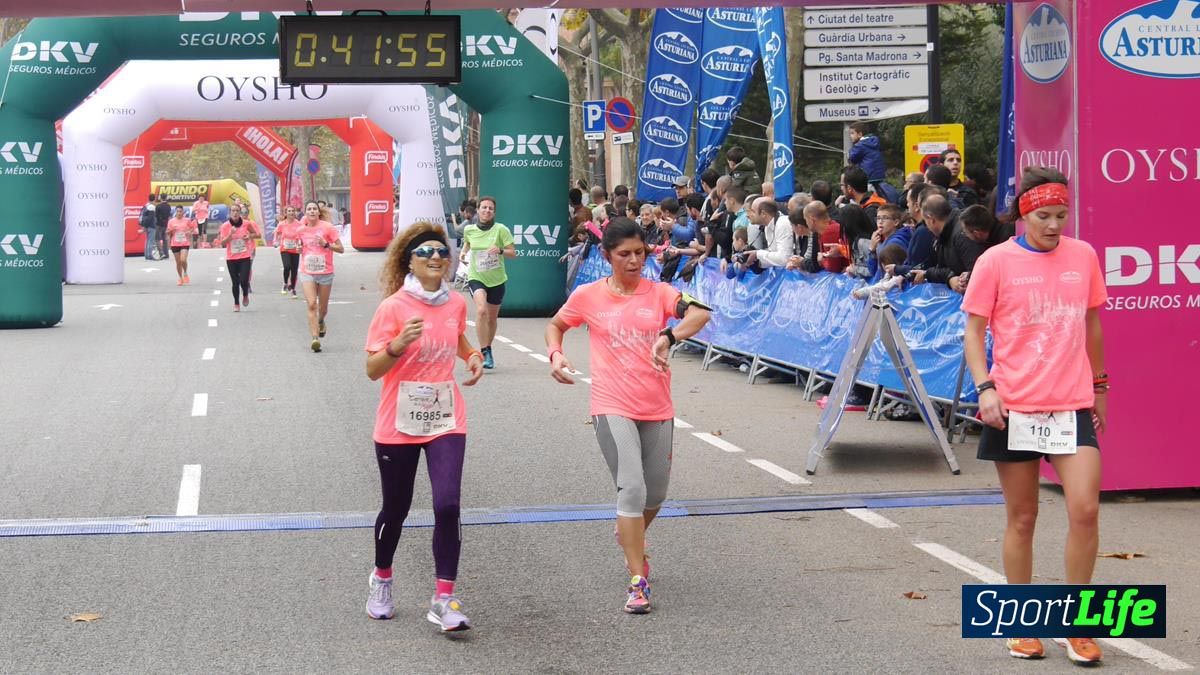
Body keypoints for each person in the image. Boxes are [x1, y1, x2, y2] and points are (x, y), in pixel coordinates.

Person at [962, 167, 1107, 665]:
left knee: (1085, 509)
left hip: (1070, 402)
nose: (1054, 225)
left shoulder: (1083, 255)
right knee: (1023, 517)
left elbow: (1091, 322)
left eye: (1062, 215)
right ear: (1025, 214)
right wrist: (986, 389)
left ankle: (1078, 624)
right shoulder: (995, 261)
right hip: (1014, 404)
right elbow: (973, 333)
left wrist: (1101, 386)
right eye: (1044, 215)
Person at [545, 218, 711, 614]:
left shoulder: (660, 293)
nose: (635, 261)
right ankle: (638, 580)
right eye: (625, 255)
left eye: (640, 252)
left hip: (656, 406)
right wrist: (556, 354)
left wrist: (670, 336)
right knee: (632, 488)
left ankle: (629, 533)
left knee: (656, 494)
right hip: (611, 403)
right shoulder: (588, 295)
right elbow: (556, 325)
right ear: (607, 256)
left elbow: (701, 313)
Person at [363, 222, 485, 631]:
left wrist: (471, 356)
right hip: (398, 421)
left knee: (447, 504)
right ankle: (381, 579)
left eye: (441, 252)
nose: (436, 258)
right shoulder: (393, 308)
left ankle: (444, 599)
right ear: (409, 262)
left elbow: (457, 338)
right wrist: (397, 344)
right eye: (426, 253)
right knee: (396, 509)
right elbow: (372, 369)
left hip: (445, 417)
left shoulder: (454, 305)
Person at [460, 196, 515, 370]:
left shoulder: (501, 230)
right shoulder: (469, 229)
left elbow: (513, 253)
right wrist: (463, 253)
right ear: (478, 210)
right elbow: (468, 244)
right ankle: (484, 351)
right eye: (484, 207)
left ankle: (488, 347)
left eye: (490, 208)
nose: (487, 211)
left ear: (494, 212)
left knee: (491, 318)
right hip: (477, 277)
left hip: (497, 280)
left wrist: (499, 250)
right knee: (481, 310)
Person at [297, 200, 344, 352]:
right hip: (307, 271)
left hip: (325, 272)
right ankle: (315, 338)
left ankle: (321, 320)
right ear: (305, 213)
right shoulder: (301, 231)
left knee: (322, 309)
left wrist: (326, 244)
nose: (311, 211)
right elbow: (300, 247)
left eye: (314, 209)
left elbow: (341, 249)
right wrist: (298, 249)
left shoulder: (327, 228)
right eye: (309, 209)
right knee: (311, 304)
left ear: (318, 212)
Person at [213, 203, 261, 313]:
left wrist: (249, 236)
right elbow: (222, 243)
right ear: (230, 213)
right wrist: (230, 235)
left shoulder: (246, 223)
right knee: (235, 282)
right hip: (231, 258)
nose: (235, 213)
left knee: (244, 280)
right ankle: (236, 303)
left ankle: (245, 294)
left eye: (237, 211)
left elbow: (257, 235)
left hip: (245, 256)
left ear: (240, 213)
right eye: (233, 211)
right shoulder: (225, 226)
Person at [273, 205, 302, 298]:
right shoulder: (282, 224)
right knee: (287, 266)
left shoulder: (299, 224)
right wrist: (275, 241)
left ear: (295, 213)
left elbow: (302, 234)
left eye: (293, 211)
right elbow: (277, 233)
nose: (291, 213)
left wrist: (301, 243)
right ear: (286, 213)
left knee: (294, 270)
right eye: (289, 211)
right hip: (284, 248)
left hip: (295, 249)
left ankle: (293, 288)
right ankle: (285, 283)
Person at [165, 206, 197, 285]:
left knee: (183, 260)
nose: (179, 213)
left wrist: (189, 232)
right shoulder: (171, 221)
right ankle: (180, 278)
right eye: (178, 211)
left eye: (180, 211)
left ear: (183, 212)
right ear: (175, 212)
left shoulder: (187, 220)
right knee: (178, 262)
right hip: (175, 243)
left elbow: (193, 228)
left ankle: (185, 273)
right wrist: (172, 230)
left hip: (184, 243)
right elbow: (167, 232)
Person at [139, 193, 159, 261]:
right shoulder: (152, 207)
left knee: (147, 241)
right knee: (150, 241)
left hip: (147, 226)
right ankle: (150, 255)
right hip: (151, 226)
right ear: (154, 199)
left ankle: (147, 255)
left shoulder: (146, 205)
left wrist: (144, 227)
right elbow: (151, 218)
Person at [154, 195, 172, 260]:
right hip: (166, 224)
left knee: (157, 239)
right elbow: (169, 216)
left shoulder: (158, 206)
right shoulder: (168, 206)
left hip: (159, 225)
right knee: (165, 239)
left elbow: (155, 216)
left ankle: (161, 253)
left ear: (160, 198)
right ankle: (166, 254)